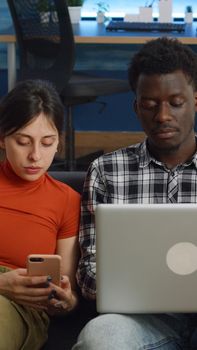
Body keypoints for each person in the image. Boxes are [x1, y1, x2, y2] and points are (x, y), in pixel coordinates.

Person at [72, 37, 197, 349]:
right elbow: (89, 272)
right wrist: (138, 288)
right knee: (99, 337)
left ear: (195, 101)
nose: (163, 116)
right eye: (150, 105)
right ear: (136, 107)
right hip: (141, 319)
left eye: (176, 103)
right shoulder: (106, 171)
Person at [0, 79, 81, 350]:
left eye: (48, 142)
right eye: (23, 142)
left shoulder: (67, 200)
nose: (35, 155)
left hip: (22, 309)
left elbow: (63, 287)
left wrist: (66, 301)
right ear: (2, 138)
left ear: (59, 141)